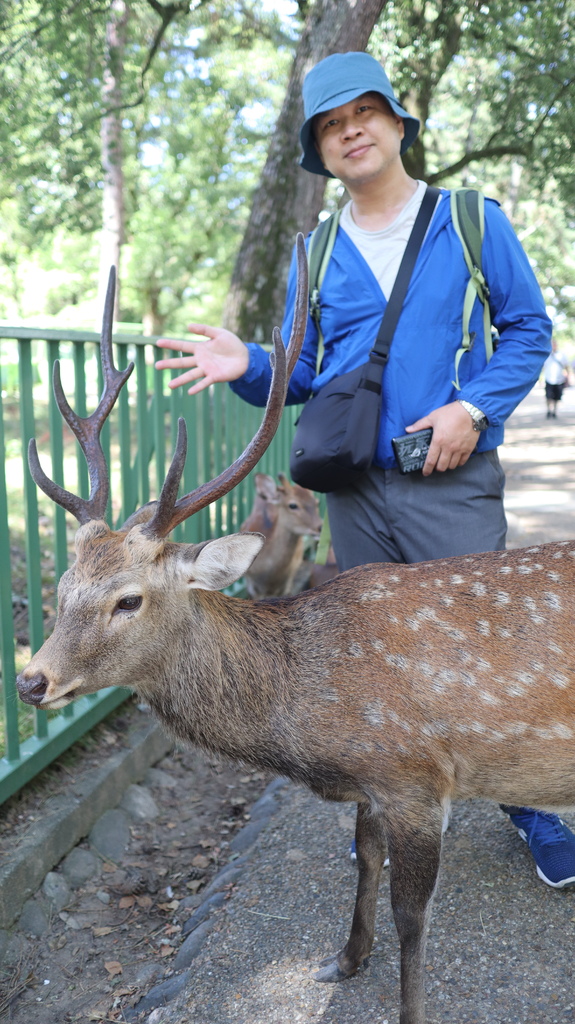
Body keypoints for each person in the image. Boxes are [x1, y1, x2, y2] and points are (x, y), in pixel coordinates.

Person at [155, 51, 575, 889]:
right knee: (370, 667)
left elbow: (527, 330)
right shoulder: (312, 251)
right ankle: (387, 808)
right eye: (329, 125)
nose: (349, 131)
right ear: (322, 149)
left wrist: (474, 409)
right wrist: (248, 361)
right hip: (351, 485)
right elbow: (301, 370)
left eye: (362, 114)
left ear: (394, 122)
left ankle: (530, 804)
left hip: (447, 473)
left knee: (481, 653)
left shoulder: (468, 219)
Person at [543, 340, 568, 418]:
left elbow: (566, 366)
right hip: (549, 379)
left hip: (559, 380)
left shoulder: (561, 355)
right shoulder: (546, 355)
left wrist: (567, 377)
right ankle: (549, 410)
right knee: (548, 396)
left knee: (557, 397)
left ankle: (554, 411)